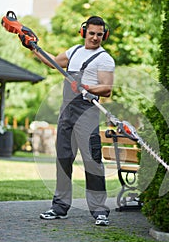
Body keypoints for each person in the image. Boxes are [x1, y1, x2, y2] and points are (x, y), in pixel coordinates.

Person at [23, 16, 115, 226]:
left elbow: (107, 88)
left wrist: (88, 88)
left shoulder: (104, 58)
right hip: (66, 112)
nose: (95, 38)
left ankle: (99, 210)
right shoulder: (73, 51)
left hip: (88, 114)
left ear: (104, 36)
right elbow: (51, 61)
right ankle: (59, 207)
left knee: (92, 161)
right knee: (63, 159)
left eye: (99, 35)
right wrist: (32, 47)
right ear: (84, 32)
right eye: (91, 33)